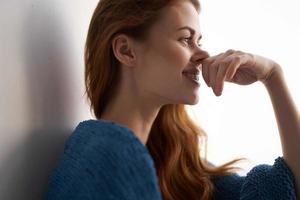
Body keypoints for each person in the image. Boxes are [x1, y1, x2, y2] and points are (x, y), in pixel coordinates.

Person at [46, 0, 299, 199]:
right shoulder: (110, 157)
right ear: (126, 51)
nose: (203, 54)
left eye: (199, 41)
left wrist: (273, 77)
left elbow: (289, 189)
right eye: (186, 39)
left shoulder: (176, 169)